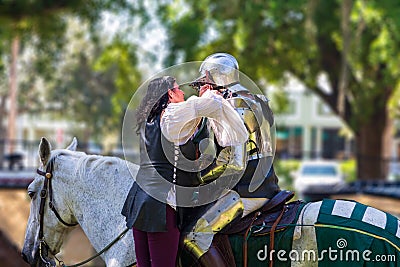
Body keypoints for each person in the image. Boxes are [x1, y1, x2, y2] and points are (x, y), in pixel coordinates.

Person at [121, 76, 196, 267]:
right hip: (159, 204)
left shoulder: (147, 120)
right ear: (170, 94)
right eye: (178, 89)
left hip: (138, 201)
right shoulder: (170, 115)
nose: (183, 92)